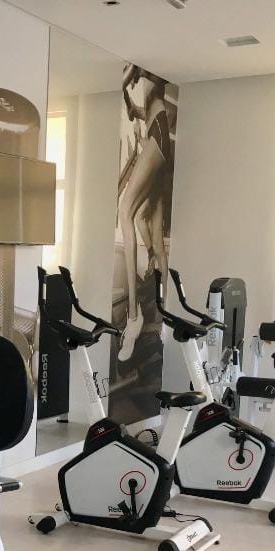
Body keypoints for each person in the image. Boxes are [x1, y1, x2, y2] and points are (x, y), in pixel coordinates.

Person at [114, 65, 173, 363]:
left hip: (158, 133)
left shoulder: (153, 65)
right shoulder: (151, 85)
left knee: (125, 210)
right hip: (155, 131)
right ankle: (165, 321)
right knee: (145, 227)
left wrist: (129, 76)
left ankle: (134, 316)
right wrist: (131, 106)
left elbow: (124, 79)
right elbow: (140, 109)